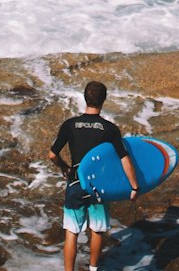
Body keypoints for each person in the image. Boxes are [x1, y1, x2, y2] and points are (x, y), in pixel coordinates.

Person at [49, 80, 139, 271]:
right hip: (99, 186)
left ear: (84, 98)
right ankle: (93, 269)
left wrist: (65, 167)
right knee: (97, 230)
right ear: (104, 100)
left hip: (75, 183)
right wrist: (134, 186)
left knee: (71, 233)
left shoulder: (70, 125)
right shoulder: (110, 129)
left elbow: (52, 154)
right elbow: (124, 158)